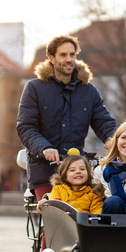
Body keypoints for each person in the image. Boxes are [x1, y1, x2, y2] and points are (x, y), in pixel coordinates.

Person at [17, 35, 117, 202]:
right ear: (51, 58)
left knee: (86, 215)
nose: (69, 59)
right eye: (63, 55)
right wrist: (44, 148)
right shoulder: (34, 88)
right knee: (53, 215)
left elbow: (104, 124)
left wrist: (121, 143)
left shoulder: (88, 91)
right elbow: (26, 127)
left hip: (77, 170)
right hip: (45, 171)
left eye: (72, 54)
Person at [36, 155, 104, 214]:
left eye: (82, 169)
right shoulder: (58, 189)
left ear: (88, 174)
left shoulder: (93, 193)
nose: (78, 172)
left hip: (84, 225)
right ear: (65, 176)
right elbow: (54, 207)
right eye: (72, 170)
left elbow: (97, 210)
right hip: (63, 224)